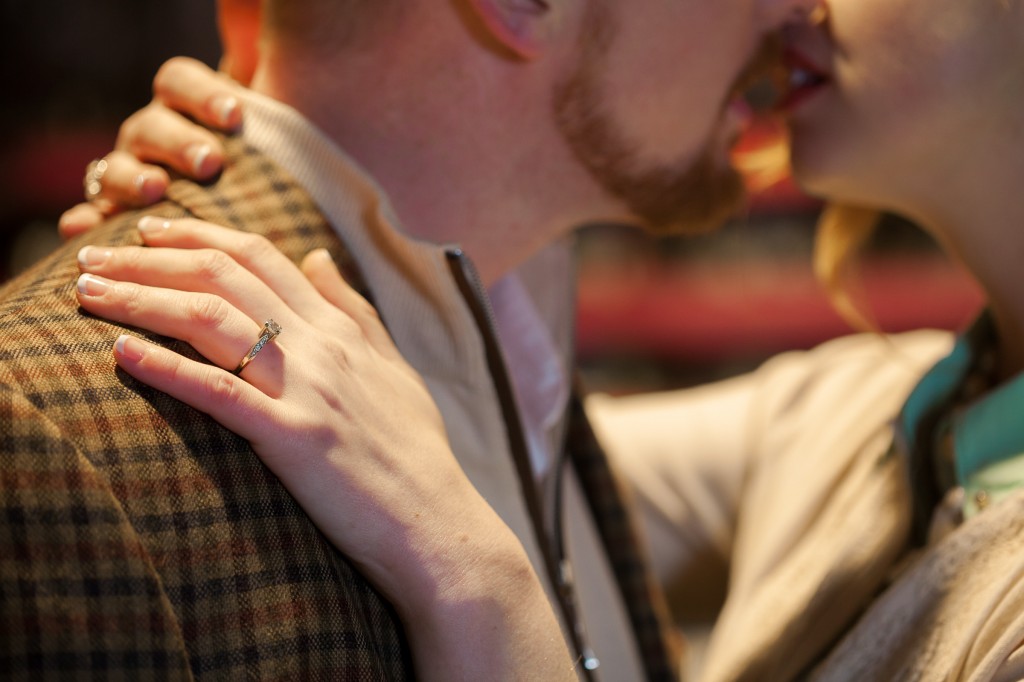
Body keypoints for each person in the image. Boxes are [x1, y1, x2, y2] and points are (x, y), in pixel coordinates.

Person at [73, 0, 1024, 679]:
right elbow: (514, 458)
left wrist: (481, 589)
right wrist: (275, 139)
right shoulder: (886, 416)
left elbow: (466, 499)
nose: (789, 7)